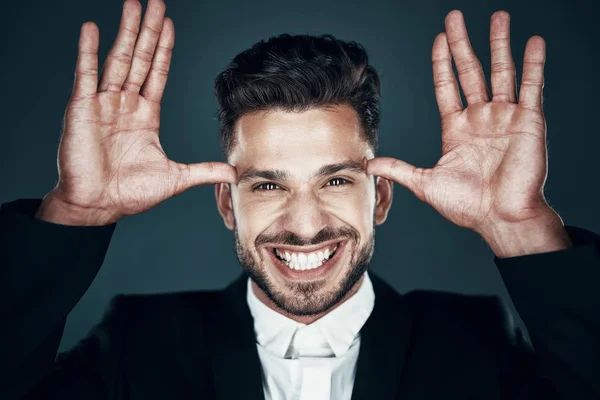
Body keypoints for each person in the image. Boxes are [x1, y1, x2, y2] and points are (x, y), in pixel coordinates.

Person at [1, 0, 598, 398]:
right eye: (267, 184)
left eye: (336, 180)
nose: (305, 224)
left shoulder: (478, 341)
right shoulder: (139, 342)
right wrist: (74, 214)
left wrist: (523, 227)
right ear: (227, 205)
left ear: (380, 198)